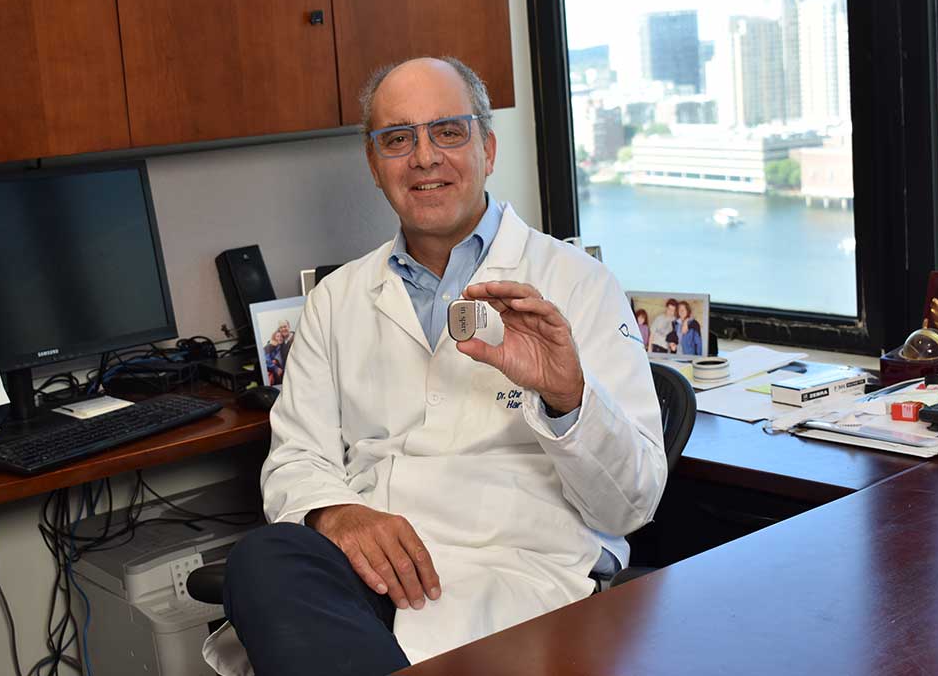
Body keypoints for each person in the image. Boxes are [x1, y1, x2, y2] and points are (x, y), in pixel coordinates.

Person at [212, 57, 666, 676]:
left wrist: (567, 396)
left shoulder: (578, 285)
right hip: (370, 577)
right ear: (375, 166)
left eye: (448, 131)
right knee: (262, 559)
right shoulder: (337, 298)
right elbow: (297, 458)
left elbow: (630, 505)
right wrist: (337, 512)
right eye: (398, 139)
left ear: (489, 147)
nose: (424, 158)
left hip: (516, 577)